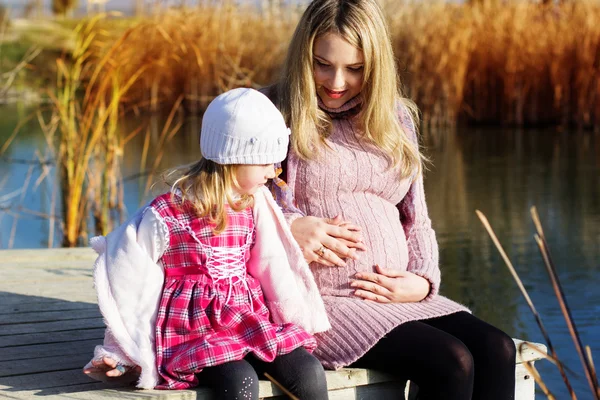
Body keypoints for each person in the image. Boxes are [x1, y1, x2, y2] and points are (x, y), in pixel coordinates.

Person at [262, 0, 518, 399]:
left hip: (399, 301)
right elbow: (237, 202)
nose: (337, 82)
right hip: (324, 301)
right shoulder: (273, 114)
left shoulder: (394, 118)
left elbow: (417, 218)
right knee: (451, 361)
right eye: (322, 64)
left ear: (376, 64)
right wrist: (290, 224)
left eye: (355, 68)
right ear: (302, 56)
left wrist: (423, 281)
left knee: (497, 349)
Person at [82, 88, 330, 399]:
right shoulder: (168, 213)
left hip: (246, 318)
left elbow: (272, 263)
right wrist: (120, 349)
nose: (273, 172)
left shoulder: (253, 204)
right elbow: (131, 278)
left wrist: (293, 316)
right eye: (266, 163)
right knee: (240, 381)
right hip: (195, 331)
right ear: (234, 158)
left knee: (306, 371)